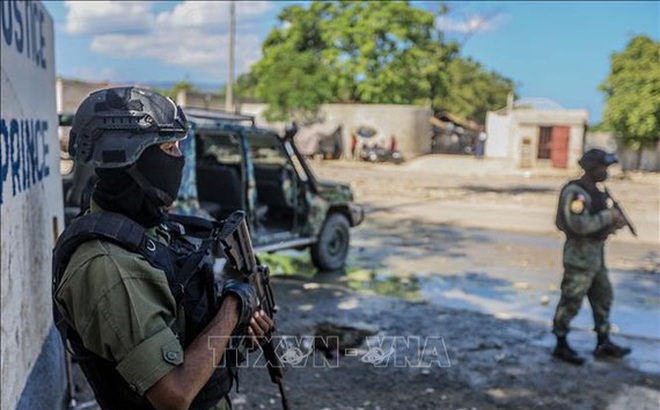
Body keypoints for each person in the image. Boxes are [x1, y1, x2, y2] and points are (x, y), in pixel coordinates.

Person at [52, 87, 273, 409]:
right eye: (169, 147)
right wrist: (233, 307)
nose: (179, 159)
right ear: (131, 158)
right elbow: (174, 395)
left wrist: (234, 330)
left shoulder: (144, 227)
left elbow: (179, 323)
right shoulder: (108, 265)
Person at [552, 148, 631, 365]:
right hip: (579, 255)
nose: (605, 171)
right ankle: (561, 343)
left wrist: (614, 222)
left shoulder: (597, 190)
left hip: (596, 254)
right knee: (571, 300)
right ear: (592, 168)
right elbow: (578, 224)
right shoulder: (576, 192)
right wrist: (608, 216)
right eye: (602, 167)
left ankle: (603, 341)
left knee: (603, 297)